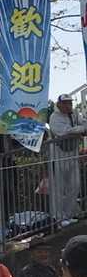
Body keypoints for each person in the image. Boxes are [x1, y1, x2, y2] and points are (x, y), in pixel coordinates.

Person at [47, 94, 86, 225]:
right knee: (58, 188)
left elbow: (83, 124)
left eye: (70, 102)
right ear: (59, 104)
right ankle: (58, 218)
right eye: (65, 103)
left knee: (75, 185)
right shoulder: (54, 117)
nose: (69, 105)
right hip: (58, 156)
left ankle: (68, 214)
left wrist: (77, 130)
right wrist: (78, 130)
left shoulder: (74, 114)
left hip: (72, 155)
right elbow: (63, 132)